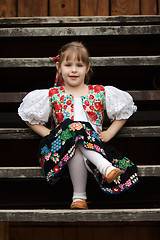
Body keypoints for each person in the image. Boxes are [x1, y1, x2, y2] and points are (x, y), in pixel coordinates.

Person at [18, 41, 138, 210]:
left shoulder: (99, 92)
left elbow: (125, 110)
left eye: (79, 65)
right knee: (74, 132)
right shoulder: (53, 94)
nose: (73, 69)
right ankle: (106, 167)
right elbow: (28, 116)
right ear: (59, 67)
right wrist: (48, 133)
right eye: (68, 65)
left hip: (93, 145)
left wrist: (110, 131)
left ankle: (79, 197)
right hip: (61, 146)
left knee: (76, 142)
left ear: (87, 68)